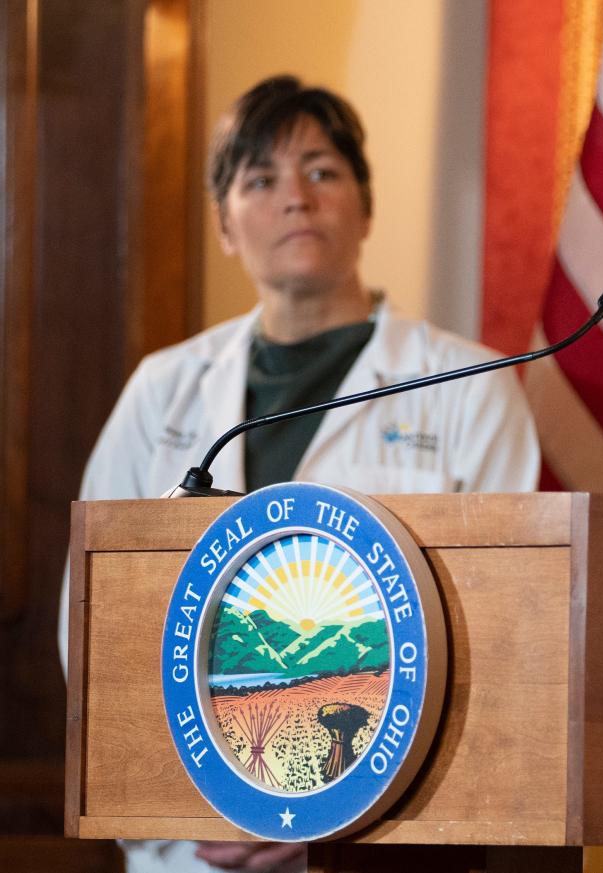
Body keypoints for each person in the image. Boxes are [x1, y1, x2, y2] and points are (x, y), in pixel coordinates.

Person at [58, 75, 539, 873]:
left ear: (365, 205)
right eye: (261, 179)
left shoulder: (470, 384)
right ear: (224, 223)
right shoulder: (163, 387)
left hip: (387, 841)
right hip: (189, 843)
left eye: (322, 170)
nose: (296, 198)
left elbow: (509, 635)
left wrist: (324, 813)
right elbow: (93, 612)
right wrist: (185, 804)